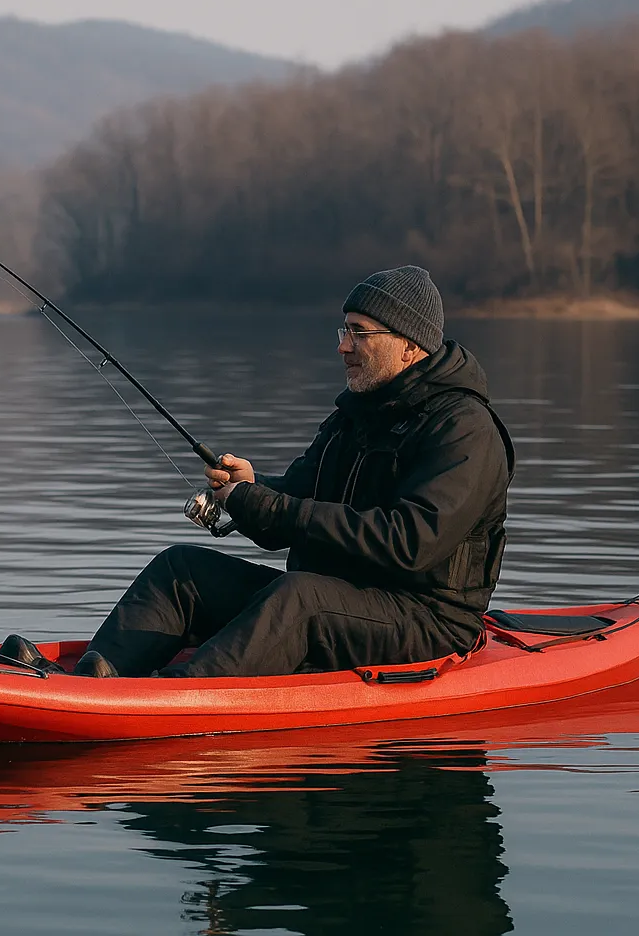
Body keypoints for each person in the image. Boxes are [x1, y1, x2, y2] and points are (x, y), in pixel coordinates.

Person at [73, 265, 515, 679]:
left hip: (426, 621)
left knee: (299, 596)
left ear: (409, 345)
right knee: (181, 566)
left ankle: (162, 700)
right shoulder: (355, 416)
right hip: (335, 596)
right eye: (344, 331)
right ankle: (95, 677)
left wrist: (266, 502)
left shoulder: (465, 429)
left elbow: (409, 543)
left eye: (359, 333)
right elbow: (294, 502)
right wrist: (249, 487)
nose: (343, 346)